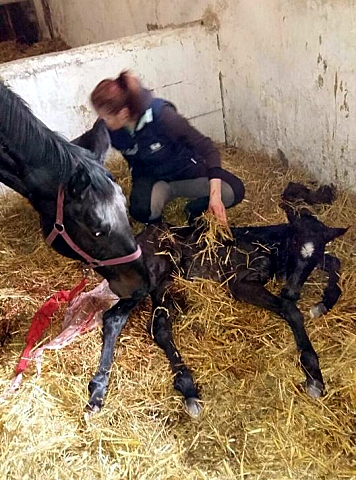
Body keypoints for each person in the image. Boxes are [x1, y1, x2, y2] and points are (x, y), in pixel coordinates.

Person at [90, 70, 245, 225]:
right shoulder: (108, 129)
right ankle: (161, 228)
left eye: (107, 117)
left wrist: (215, 197)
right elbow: (91, 156)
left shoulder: (163, 117)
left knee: (233, 191)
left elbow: (208, 149)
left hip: (186, 169)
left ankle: (194, 210)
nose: (103, 121)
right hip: (152, 177)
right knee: (141, 211)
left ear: (123, 114)